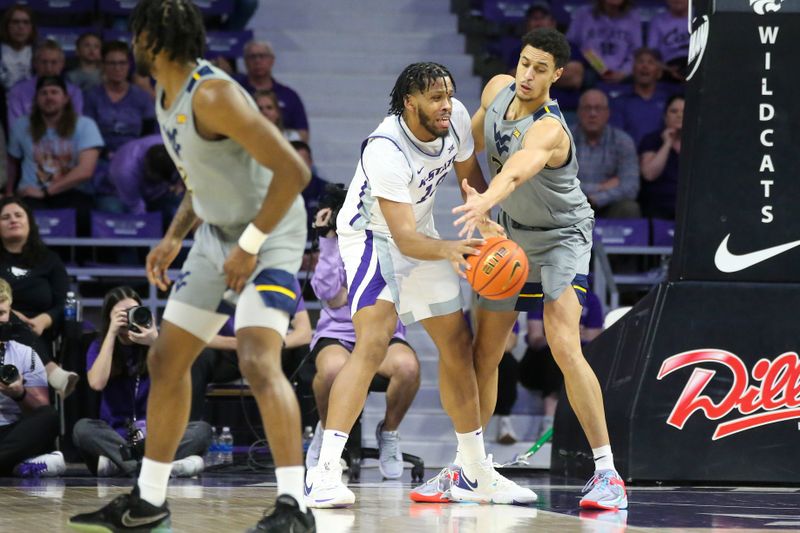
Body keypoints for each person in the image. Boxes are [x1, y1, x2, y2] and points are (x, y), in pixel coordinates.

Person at [68, 1, 312, 531]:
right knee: (166, 360)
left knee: (256, 359)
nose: (129, 41)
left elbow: (294, 171)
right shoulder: (163, 91)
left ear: (152, 39)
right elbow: (200, 179)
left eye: (135, 32)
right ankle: (149, 502)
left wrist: (248, 245)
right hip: (215, 233)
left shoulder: (215, 94)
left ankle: (296, 507)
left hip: (269, 234)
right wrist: (173, 237)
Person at [305, 61, 536, 509]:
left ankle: (474, 471)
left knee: (457, 344)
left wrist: (484, 218)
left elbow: (469, 179)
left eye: (448, 94)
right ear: (410, 102)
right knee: (372, 344)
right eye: (435, 97)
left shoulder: (453, 124)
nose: (446, 105)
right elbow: (402, 238)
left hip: (420, 232)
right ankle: (325, 471)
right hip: (372, 237)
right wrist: (451, 250)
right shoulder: (385, 148)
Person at [453, 27, 628, 510]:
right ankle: (469, 467)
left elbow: (517, 168)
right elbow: (466, 153)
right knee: (484, 354)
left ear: (558, 75)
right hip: (509, 233)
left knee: (564, 344)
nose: (528, 75)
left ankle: (608, 473)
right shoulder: (494, 90)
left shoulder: (550, 128)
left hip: (561, 236)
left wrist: (488, 197)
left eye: (539, 69)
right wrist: (479, 204)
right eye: (524, 63)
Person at [304, 204, 420, 479]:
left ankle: (389, 432)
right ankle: (326, 429)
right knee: (333, 369)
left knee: (407, 367)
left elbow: (402, 289)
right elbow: (329, 293)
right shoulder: (338, 244)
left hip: (383, 332)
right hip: (338, 333)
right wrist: (328, 240)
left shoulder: (389, 238)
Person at [72, 286, 211, 478]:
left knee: (201, 430)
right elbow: (96, 383)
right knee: (83, 429)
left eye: (133, 312)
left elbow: (180, 377)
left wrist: (154, 340)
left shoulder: (157, 343)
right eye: (122, 314)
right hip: (117, 437)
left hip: (156, 436)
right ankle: (154, 467)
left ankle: (127, 465)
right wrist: (111, 333)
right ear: (109, 318)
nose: (128, 318)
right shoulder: (100, 345)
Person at [188, 277, 312, 423]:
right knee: (195, 356)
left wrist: (277, 343)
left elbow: (304, 332)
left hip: (271, 350)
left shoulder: (283, 275)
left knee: (305, 352)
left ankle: (308, 434)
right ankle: (190, 434)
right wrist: (236, 343)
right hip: (228, 351)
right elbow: (193, 332)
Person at [0, 197, 79, 397]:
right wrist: (9, 312)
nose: (13, 220)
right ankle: (53, 372)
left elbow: (64, 300)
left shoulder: (49, 260)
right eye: (5, 217)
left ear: (29, 222)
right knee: (13, 321)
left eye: (18, 215)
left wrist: (45, 320)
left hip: (40, 330)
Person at [6, 75, 103, 235]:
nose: (49, 97)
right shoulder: (21, 125)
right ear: (36, 99)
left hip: (72, 192)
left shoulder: (85, 125)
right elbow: (12, 162)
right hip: (31, 194)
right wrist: (9, 192)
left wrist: (46, 192)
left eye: (54, 92)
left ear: (65, 98)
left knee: (84, 215)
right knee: (19, 220)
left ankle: (78, 260)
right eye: (43, 93)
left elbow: (85, 170)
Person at [0, 277, 65, 478]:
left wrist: (20, 394)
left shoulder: (26, 354)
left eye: (1, 313)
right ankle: (16, 465)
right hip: (10, 448)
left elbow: (40, 410)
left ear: (10, 312)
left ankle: (11, 462)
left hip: (12, 433)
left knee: (50, 418)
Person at [519, 290, 604, 439]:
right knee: (557, 351)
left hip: (577, 358)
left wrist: (568, 336)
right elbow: (535, 339)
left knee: (569, 354)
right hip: (538, 364)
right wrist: (558, 335)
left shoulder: (590, 299)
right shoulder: (539, 296)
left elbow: (595, 340)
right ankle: (549, 420)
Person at [84, 40, 155, 213]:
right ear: (103, 66)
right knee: (110, 207)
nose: (117, 68)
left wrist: (131, 156)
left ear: (129, 65)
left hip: (136, 159)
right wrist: (107, 152)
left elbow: (148, 133)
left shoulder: (141, 97)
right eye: (112, 63)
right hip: (102, 159)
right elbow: (88, 132)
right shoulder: (92, 96)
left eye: (122, 63)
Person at [574, 89, 640, 218]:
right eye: (587, 108)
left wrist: (596, 199)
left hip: (609, 205)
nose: (592, 114)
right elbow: (556, 184)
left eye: (598, 108)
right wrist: (600, 187)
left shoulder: (622, 141)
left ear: (607, 113)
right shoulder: (563, 140)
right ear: (579, 112)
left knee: (629, 208)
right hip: (570, 206)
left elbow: (631, 187)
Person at [236, 41, 309, 142]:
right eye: (252, 56)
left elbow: (303, 134)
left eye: (262, 56)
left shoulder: (289, 95)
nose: (257, 61)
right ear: (245, 61)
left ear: (272, 60)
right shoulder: (235, 92)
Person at [107, 134, 184, 224]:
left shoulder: (175, 146)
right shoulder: (124, 171)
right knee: (115, 212)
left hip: (162, 193)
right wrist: (149, 228)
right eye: (158, 178)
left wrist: (180, 183)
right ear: (146, 165)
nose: (160, 181)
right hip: (120, 193)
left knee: (181, 209)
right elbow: (136, 207)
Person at [6, 39, 84, 128]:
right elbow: (15, 128)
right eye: (44, 62)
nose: (49, 68)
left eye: (54, 62)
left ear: (62, 64)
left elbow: (76, 126)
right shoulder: (18, 91)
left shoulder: (74, 92)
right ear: (35, 63)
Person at [566, 0, 642, 85]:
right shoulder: (584, 14)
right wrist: (600, 68)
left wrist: (623, 72)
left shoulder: (633, 17)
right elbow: (573, 46)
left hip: (624, 73)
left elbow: (636, 52)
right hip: (590, 69)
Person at [610, 48, 673, 148]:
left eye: (650, 62)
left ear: (659, 72)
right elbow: (616, 136)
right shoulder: (620, 101)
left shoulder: (668, 100)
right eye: (640, 61)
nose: (645, 66)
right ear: (633, 69)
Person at [638, 94, 684, 220]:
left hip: (689, 207)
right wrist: (667, 143)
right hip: (657, 207)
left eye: (684, 111)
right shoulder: (651, 140)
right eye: (674, 111)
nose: (679, 115)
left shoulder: (698, 143)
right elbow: (649, 174)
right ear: (665, 116)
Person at [647, 0, 690, 83]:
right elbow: (651, 54)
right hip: (669, 67)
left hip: (698, 63)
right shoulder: (658, 21)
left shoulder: (701, 16)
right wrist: (667, 69)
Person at [0, 5, 36, 93]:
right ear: (7, 26)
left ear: (31, 27)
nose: (21, 27)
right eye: (15, 22)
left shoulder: (40, 52)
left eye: (26, 22)